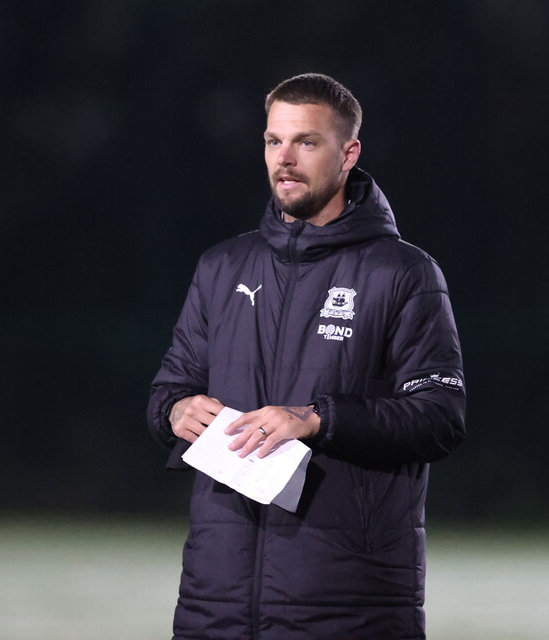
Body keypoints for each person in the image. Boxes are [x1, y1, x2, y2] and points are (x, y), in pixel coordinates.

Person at [147, 73, 466, 640]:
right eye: (274, 141)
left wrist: (319, 418)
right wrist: (175, 411)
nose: (285, 159)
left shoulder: (405, 273)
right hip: (214, 604)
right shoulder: (223, 266)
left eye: (306, 142)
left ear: (349, 153)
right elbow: (169, 387)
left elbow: (440, 417)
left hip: (348, 607)